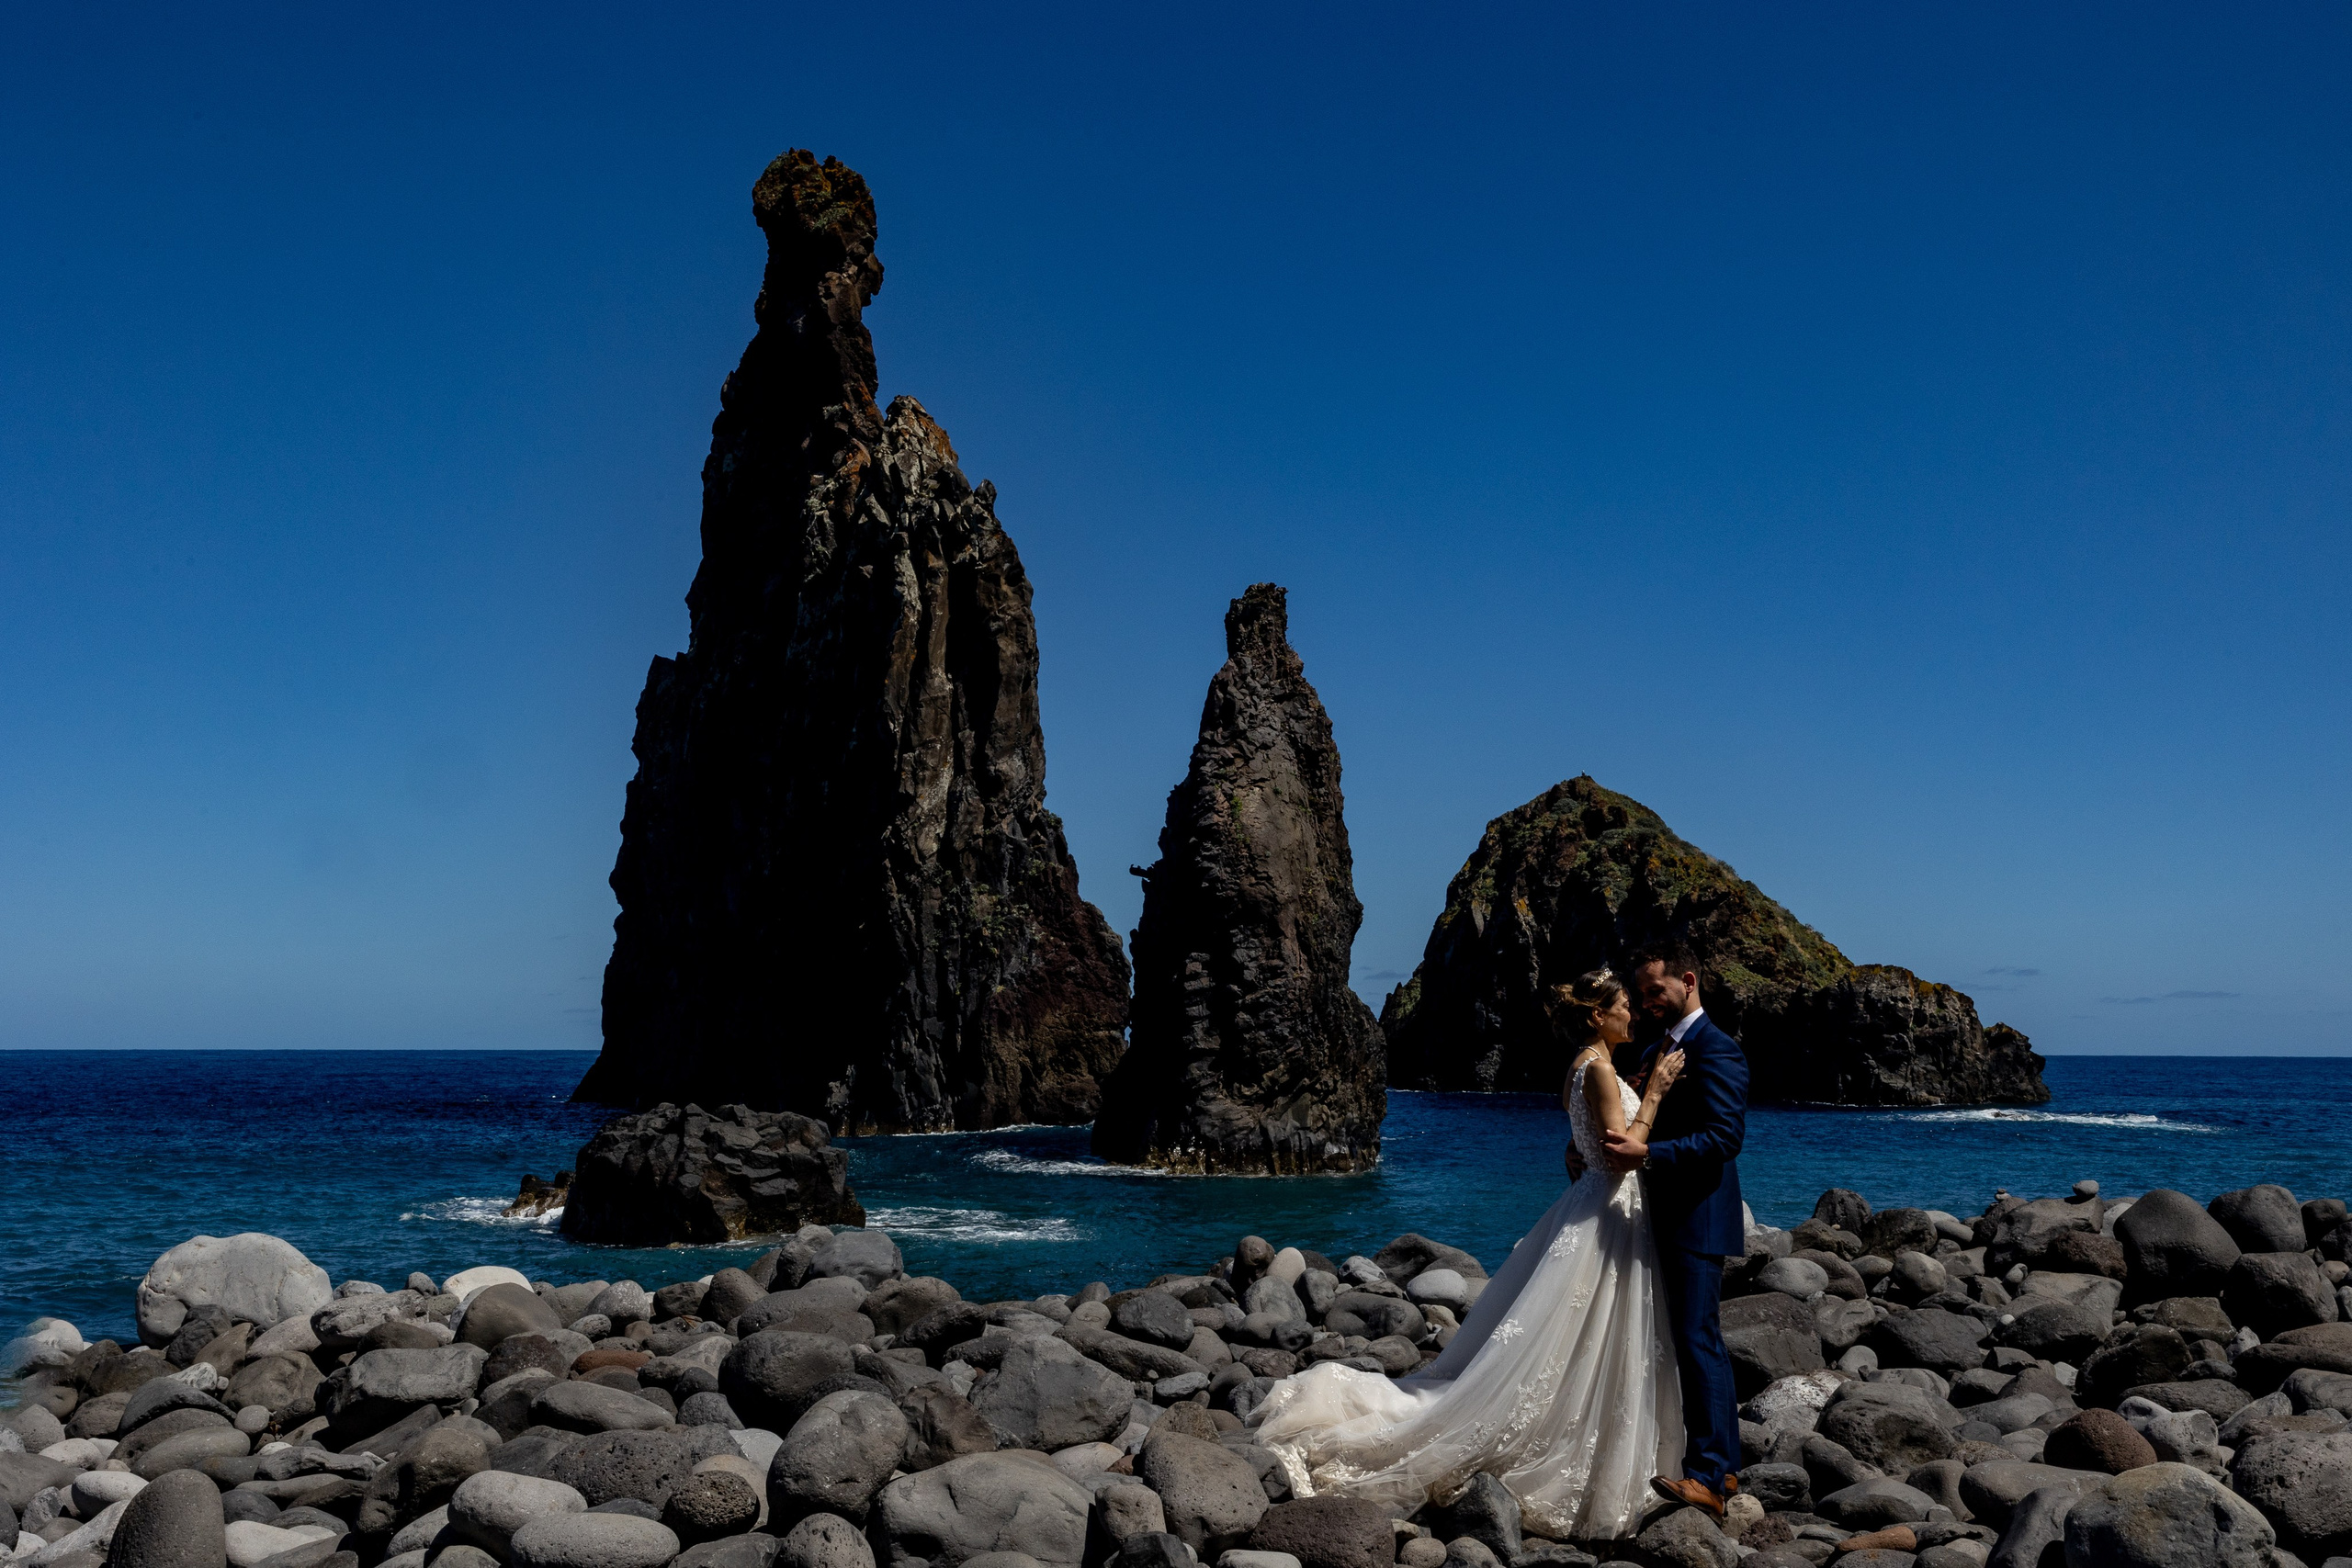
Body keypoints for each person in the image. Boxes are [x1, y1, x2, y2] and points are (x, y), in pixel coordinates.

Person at [1249, 968, 1690, 1541]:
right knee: (1586, 1334)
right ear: (1597, 1016)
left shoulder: (1580, 1066)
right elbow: (1619, 1155)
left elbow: (1586, 1141)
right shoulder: (1601, 1067)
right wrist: (1655, 1090)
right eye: (1625, 1005)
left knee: (1578, 1335)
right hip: (1606, 1209)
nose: (1633, 1012)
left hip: (1590, 1207)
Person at [1601, 941, 1750, 1518]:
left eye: (1655, 991)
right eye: (1640, 995)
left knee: (1698, 1339)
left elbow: (1724, 1139)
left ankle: (1709, 1477)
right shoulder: (1659, 1048)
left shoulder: (1718, 1051)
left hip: (1698, 1215)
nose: (1647, 1003)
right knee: (1687, 1338)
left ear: (1688, 981)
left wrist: (1648, 1155)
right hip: (1663, 1215)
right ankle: (1726, 1467)